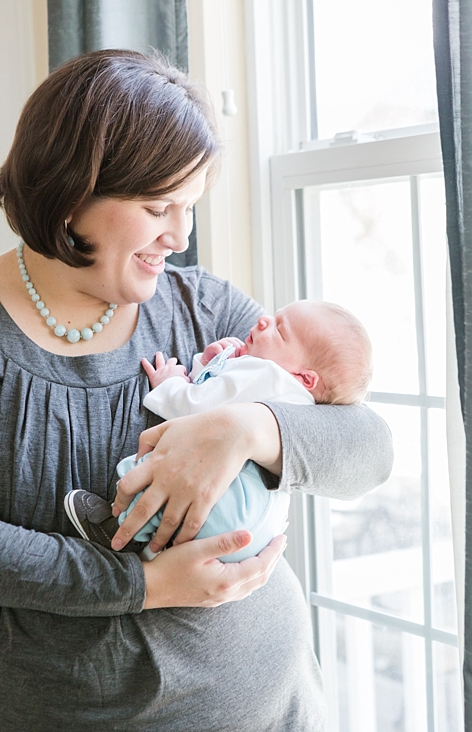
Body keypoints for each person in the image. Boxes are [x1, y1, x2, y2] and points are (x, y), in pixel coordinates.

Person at [0, 49, 393, 728]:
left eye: (190, 206)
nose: (180, 237)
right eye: (159, 206)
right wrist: (140, 586)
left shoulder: (203, 310)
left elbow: (368, 448)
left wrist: (246, 429)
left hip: (278, 706)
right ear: (70, 193)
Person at [64, 299, 373, 563]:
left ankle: (121, 531)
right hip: (258, 522)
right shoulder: (291, 392)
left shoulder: (267, 374)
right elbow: (220, 397)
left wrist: (171, 383)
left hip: (228, 504)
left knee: (150, 469)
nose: (264, 320)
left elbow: (197, 411)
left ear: (305, 379)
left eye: (279, 329)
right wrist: (211, 364)